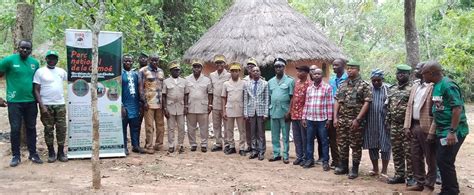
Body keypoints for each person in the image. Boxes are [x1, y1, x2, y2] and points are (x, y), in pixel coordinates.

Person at [422, 61, 469, 195]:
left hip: (454, 131)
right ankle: (447, 190)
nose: (422, 75)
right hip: (442, 130)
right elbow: (439, 108)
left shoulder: (448, 85)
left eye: (424, 73)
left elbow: (457, 108)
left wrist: (452, 132)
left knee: (445, 160)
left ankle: (451, 191)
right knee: (443, 160)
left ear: (431, 73)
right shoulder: (436, 85)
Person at [0, 40, 42, 167]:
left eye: (27, 49)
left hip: (31, 101)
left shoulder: (35, 63)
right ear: (18, 48)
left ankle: (33, 154)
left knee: (31, 128)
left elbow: (38, 84)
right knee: (15, 129)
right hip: (14, 102)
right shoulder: (9, 60)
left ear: (31, 50)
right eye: (22, 48)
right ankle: (16, 156)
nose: (25, 50)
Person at [333, 61, 371, 179]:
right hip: (342, 120)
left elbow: (367, 102)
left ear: (358, 70)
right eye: (348, 68)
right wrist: (335, 117)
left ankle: (354, 169)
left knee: (355, 145)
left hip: (355, 121)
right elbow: (337, 101)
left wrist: (358, 119)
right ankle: (343, 166)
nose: (349, 70)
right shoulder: (343, 84)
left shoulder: (364, 85)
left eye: (352, 68)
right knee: (342, 144)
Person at [403, 62, 436, 192]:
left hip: (427, 126)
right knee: (415, 156)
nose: (416, 70)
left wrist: (432, 131)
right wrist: (407, 126)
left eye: (419, 68)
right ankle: (419, 182)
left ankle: (429, 184)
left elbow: (436, 111)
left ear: (426, 71)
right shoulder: (415, 85)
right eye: (416, 68)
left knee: (430, 157)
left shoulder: (434, 86)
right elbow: (409, 106)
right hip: (414, 125)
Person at [33, 50, 68, 163]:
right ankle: (51, 152)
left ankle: (61, 152)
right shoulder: (40, 72)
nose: (52, 60)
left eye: (54, 58)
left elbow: (72, 81)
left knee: (61, 129)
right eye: (50, 58)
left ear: (57, 60)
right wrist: (42, 106)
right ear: (46, 59)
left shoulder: (62, 72)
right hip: (46, 104)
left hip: (60, 104)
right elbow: (36, 90)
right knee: (48, 129)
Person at [386, 64, 416, 186]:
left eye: (403, 73)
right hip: (394, 125)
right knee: (397, 151)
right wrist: (388, 121)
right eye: (399, 73)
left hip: (407, 126)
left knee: (409, 151)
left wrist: (410, 125)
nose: (400, 75)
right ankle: (399, 175)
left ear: (409, 75)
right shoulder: (392, 89)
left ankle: (411, 177)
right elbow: (388, 106)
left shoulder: (413, 89)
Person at [302, 67, 333, 171]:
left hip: (322, 119)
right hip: (310, 119)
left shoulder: (327, 87)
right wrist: (304, 117)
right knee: (309, 140)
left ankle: (325, 161)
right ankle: (309, 160)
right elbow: (306, 103)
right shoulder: (309, 89)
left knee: (324, 141)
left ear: (322, 75)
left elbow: (329, 104)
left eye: (319, 74)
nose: (316, 76)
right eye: (315, 74)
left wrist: (329, 119)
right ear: (312, 75)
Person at [363, 69, 390, 176]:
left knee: (385, 145)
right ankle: (375, 169)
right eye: (374, 81)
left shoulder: (388, 89)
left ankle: (384, 170)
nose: (376, 83)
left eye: (378, 80)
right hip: (371, 122)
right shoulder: (368, 89)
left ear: (382, 79)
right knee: (372, 145)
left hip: (385, 122)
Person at [268, 58, 294, 164]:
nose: (278, 68)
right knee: (274, 134)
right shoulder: (270, 81)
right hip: (274, 110)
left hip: (285, 111)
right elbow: (270, 97)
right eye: (276, 66)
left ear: (284, 67)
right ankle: (276, 154)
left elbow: (292, 97)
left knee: (285, 135)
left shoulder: (290, 81)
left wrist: (289, 111)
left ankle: (286, 155)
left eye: (280, 66)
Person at [139, 54, 165, 154]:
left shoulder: (161, 71)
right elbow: (140, 87)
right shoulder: (143, 71)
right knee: (149, 125)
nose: (155, 62)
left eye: (156, 61)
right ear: (149, 60)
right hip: (149, 103)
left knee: (160, 125)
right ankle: (149, 146)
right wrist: (144, 101)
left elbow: (163, 88)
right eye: (153, 61)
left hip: (159, 103)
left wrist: (164, 103)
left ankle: (159, 144)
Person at [186, 59, 213, 152]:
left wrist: (210, 104)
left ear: (201, 68)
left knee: (204, 127)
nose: (196, 68)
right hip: (191, 106)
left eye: (198, 66)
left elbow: (210, 93)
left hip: (203, 106)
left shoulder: (206, 79)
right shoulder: (187, 79)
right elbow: (185, 94)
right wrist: (185, 106)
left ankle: (204, 144)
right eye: (194, 66)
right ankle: (193, 144)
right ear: (192, 68)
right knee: (191, 127)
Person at [121, 54, 146, 155]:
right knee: (123, 126)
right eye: (126, 61)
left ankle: (135, 146)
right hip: (124, 104)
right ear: (122, 62)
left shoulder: (136, 74)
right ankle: (124, 147)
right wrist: (121, 105)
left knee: (135, 126)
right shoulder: (120, 74)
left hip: (135, 105)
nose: (128, 63)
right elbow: (117, 90)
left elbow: (140, 89)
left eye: (130, 61)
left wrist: (142, 102)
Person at [162, 61, 189, 154]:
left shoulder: (184, 81)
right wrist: (165, 108)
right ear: (171, 71)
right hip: (170, 107)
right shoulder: (166, 81)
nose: (177, 72)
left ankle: (180, 144)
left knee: (181, 127)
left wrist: (186, 106)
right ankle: (171, 145)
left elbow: (186, 94)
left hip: (181, 107)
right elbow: (164, 96)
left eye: (178, 70)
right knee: (171, 127)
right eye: (174, 70)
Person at [244, 66, 269, 161]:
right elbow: (246, 99)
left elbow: (267, 99)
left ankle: (261, 151)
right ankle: (254, 150)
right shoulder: (247, 84)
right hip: (251, 111)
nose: (255, 72)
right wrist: (245, 113)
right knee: (252, 132)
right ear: (251, 73)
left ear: (260, 72)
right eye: (253, 71)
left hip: (261, 111)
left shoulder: (265, 84)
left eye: (257, 71)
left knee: (261, 133)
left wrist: (266, 113)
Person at [221, 62, 245, 155]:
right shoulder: (226, 84)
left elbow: (245, 97)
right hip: (229, 109)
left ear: (239, 72)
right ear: (230, 72)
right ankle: (231, 146)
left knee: (242, 130)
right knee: (229, 129)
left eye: (236, 71)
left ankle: (242, 147)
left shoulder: (243, 83)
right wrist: (223, 111)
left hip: (240, 109)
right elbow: (223, 98)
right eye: (232, 71)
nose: (234, 73)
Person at [289, 65, 311, 165]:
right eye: (297, 71)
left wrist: (305, 116)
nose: (298, 73)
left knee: (304, 138)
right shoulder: (296, 83)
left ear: (306, 73)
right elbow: (293, 98)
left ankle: (306, 157)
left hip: (303, 116)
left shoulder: (309, 85)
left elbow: (309, 101)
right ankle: (299, 156)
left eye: (301, 72)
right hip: (294, 114)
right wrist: (290, 111)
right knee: (296, 137)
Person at [328, 58, 347, 168]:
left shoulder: (348, 79)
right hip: (332, 113)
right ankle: (335, 160)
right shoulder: (331, 80)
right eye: (333, 65)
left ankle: (343, 162)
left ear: (343, 66)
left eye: (337, 65)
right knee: (332, 138)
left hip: (344, 113)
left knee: (343, 139)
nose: (334, 67)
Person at [209, 54, 231, 152]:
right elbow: (210, 90)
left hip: (225, 104)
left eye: (221, 62)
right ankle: (218, 143)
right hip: (215, 103)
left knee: (226, 125)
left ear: (224, 64)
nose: (219, 64)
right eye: (217, 63)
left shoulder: (229, 75)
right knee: (216, 125)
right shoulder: (212, 75)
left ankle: (227, 143)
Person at [242, 58, 262, 154]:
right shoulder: (244, 80)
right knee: (248, 128)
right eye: (248, 66)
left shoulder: (262, 80)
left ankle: (258, 146)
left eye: (252, 66)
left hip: (258, 108)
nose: (250, 68)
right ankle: (250, 145)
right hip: (248, 108)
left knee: (258, 129)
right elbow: (244, 96)